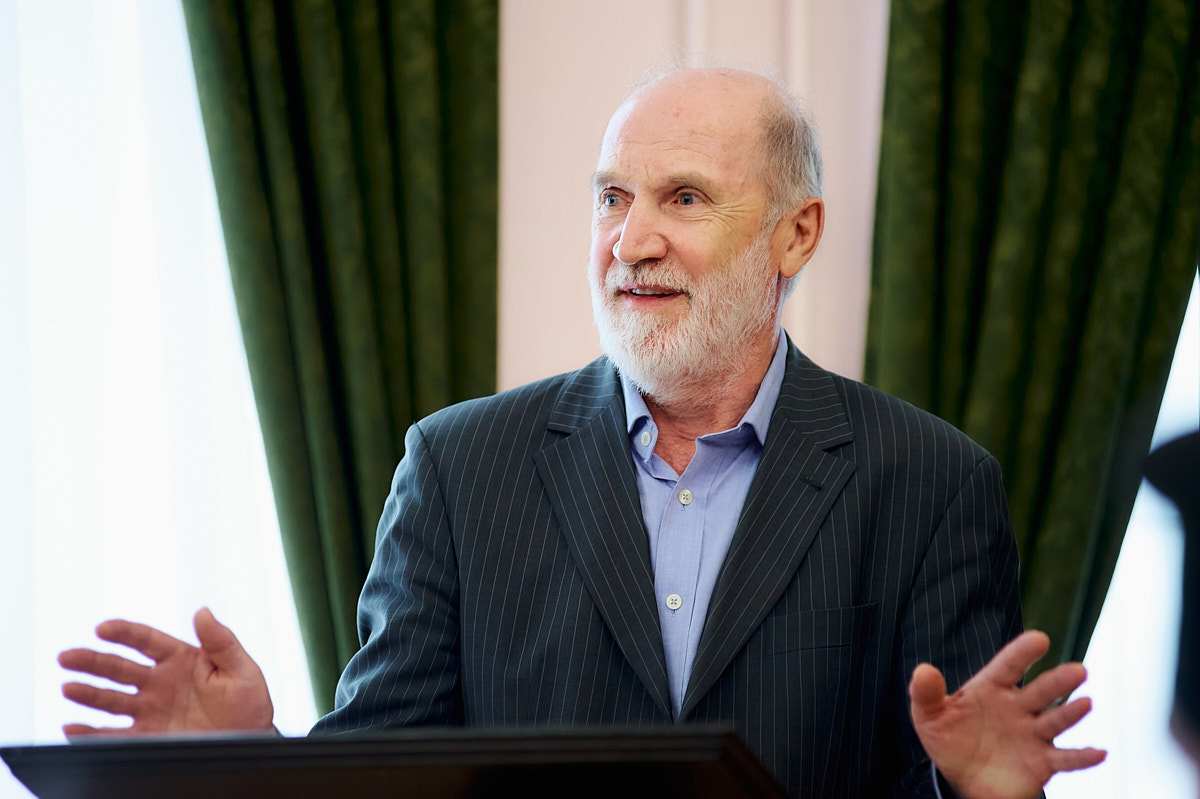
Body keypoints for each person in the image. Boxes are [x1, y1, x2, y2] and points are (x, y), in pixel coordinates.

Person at [57, 68, 1105, 797]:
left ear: (796, 233)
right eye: (612, 197)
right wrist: (253, 762)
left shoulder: (931, 480)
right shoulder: (459, 468)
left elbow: (961, 767)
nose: (632, 240)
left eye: (683, 198)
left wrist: (987, 797)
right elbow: (381, 779)